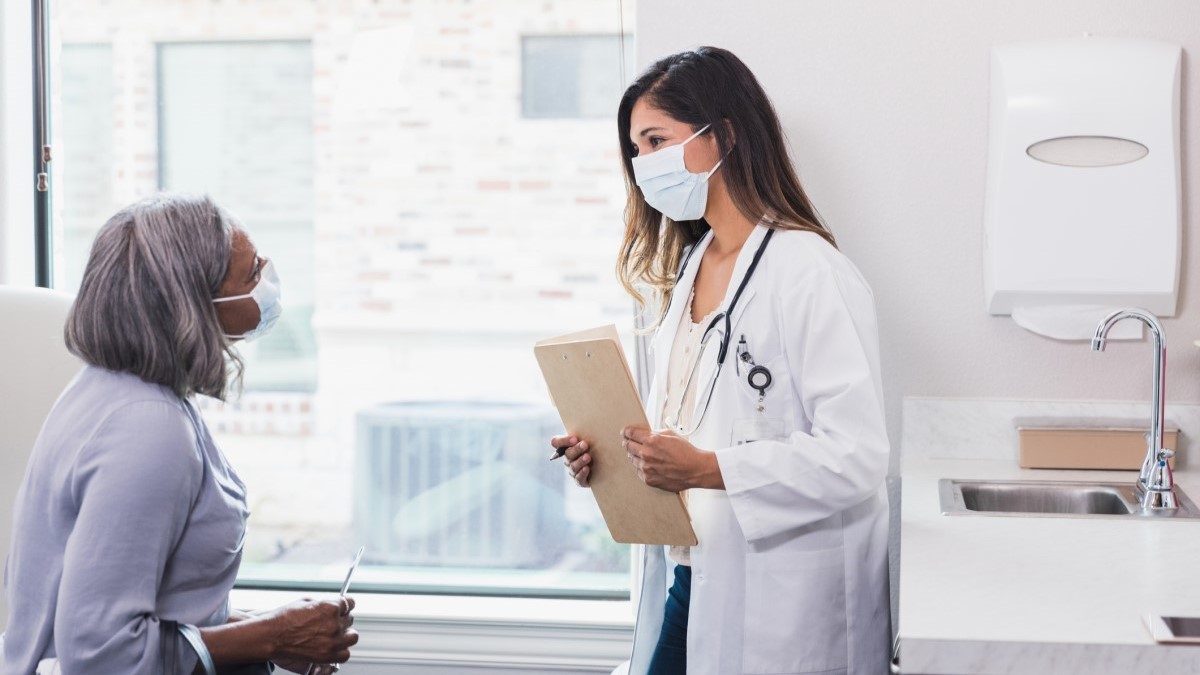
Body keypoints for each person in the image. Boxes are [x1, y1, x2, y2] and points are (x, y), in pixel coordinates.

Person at [551, 47, 891, 675]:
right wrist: (613, 457)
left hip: (780, 600)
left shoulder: (810, 273)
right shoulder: (692, 269)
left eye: (657, 140)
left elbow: (858, 455)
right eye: (636, 148)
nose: (643, 164)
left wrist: (709, 469)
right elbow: (684, 429)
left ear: (725, 136)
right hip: (696, 572)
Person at [1, 194, 358, 674]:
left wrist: (265, 636)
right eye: (251, 274)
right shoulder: (147, 429)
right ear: (190, 301)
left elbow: (160, 602)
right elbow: (102, 653)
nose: (267, 283)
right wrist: (272, 634)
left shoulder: (110, 390)